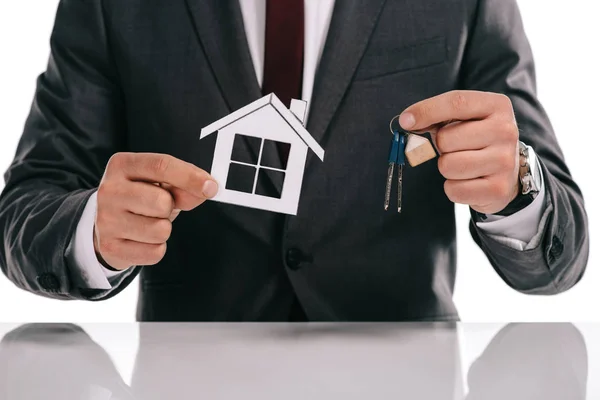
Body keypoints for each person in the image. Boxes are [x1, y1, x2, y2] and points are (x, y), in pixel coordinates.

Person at [0, 0, 589, 321]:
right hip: (189, 380)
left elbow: (565, 249)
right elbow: (26, 205)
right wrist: (94, 232)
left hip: (404, 377)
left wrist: (516, 189)